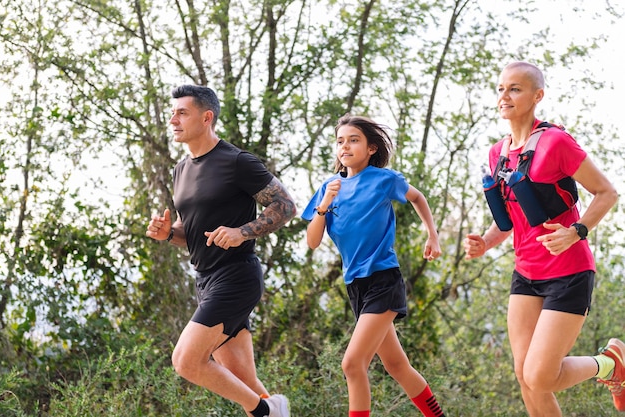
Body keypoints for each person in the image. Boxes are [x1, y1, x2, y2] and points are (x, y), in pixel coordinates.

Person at [463, 61, 622, 416]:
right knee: (525, 377)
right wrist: (485, 243)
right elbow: (507, 223)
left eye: (515, 89)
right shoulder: (497, 153)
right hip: (526, 275)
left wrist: (576, 232)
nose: (505, 95)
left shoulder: (555, 142)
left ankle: (610, 363)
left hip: (568, 272)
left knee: (540, 375)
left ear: (538, 96)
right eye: (502, 88)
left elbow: (607, 192)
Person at [146, 85, 296, 417]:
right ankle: (271, 410)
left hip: (237, 276)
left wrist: (242, 232)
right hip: (206, 280)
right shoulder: (181, 170)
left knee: (186, 361)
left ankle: (265, 411)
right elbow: (196, 233)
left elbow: (285, 206)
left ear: (206, 117)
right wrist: (168, 233)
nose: (173, 120)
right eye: (172, 113)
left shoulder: (236, 161)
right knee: (246, 383)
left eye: (181, 113)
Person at [302, 114, 446, 417]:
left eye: (354, 140)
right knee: (397, 365)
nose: (345, 146)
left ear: (370, 148)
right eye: (340, 141)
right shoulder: (329, 187)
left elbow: (418, 198)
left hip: (383, 280)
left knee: (352, 364)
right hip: (355, 286)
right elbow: (313, 241)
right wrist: (324, 204)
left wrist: (432, 235)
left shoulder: (384, 180)